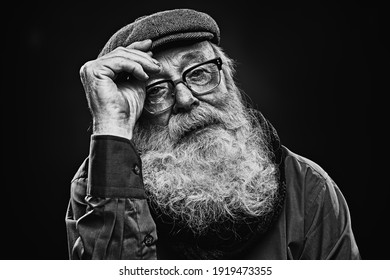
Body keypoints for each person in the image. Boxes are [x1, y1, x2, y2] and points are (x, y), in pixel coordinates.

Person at [65, 8, 360, 260]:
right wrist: (112, 126)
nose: (185, 98)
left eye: (199, 72)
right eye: (155, 91)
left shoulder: (310, 188)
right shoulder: (97, 188)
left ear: (229, 82)